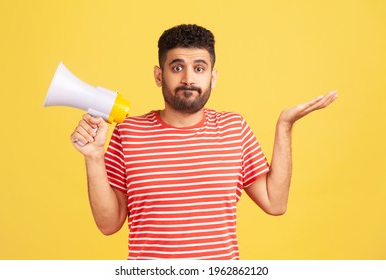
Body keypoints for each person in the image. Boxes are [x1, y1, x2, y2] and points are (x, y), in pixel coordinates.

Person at [70, 24, 337, 260]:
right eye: (177, 67)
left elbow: (275, 203)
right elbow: (109, 224)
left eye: (199, 68)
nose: (188, 78)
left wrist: (285, 126)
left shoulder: (235, 128)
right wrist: (94, 157)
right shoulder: (128, 132)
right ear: (159, 75)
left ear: (213, 77)